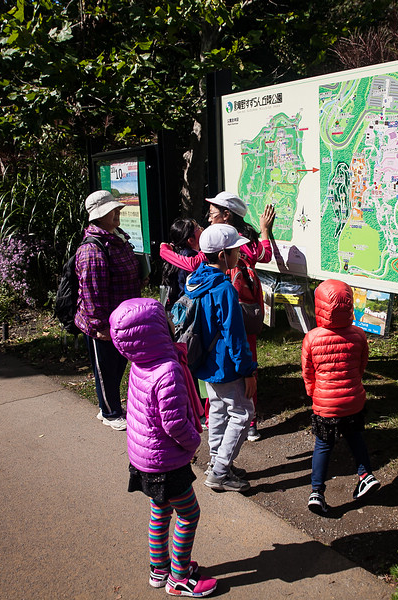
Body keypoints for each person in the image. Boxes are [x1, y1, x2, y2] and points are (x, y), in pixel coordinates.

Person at [109, 297, 217, 597]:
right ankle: (179, 577)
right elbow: (173, 423)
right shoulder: (168, 370)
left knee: (160, 511)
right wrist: (194, 441)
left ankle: (159, 570)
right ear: (156, 330)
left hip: (145, 460)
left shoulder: (140, 364)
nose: (171, 320)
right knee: (189, 514)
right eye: (165, 318)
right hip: (166, 463)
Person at [160, 192, 275, 441]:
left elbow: (192, 265)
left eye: (212, 216)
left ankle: (216, 417)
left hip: (223, 306)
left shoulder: (218, 247)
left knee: (217, 356)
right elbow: (264, 255)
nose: (209, 221)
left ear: (226, 216)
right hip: (247, 309)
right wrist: (265, 230)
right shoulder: (247, 242)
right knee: (244, 356)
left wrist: (164, 251)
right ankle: (247, 420)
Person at [185, 224, 258, 492]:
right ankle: (219, 472)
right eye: (236, 250)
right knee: (242, 413)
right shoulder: (224, 290)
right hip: (226, 365)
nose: (240, 253)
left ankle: (216, 460)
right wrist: (247, 371)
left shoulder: (196, 280)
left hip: (204, 362)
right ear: (222, 255)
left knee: (216, 410)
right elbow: (234, 335)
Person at [301, 279, 381, 514]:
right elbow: (361, 365)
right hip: (354, 399)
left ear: (320, 305)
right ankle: (365, 475)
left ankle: (317, 492)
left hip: (325, 403)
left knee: (323, 446)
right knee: (356, 438)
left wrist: (313, 393)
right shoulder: (359, 334)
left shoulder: (312, 338)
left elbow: (308, 372)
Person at [75, 190, 142, 431]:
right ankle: (109, 412)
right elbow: (91, 292)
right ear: (99, 216)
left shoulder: (117, 236)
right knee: (106, 369)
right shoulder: (92, 249)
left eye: (117, 209)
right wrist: (99, 326)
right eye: (112, 211)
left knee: (118, 365)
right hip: (104, 322)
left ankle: (110, 405)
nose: (117, 213)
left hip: (121, 318)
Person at [161, 217, 202, 311]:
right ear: (191, 240)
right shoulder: (191, 258)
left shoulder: (175, 255)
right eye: (198, 227)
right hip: (187, 309)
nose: (202, 229)